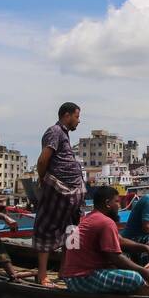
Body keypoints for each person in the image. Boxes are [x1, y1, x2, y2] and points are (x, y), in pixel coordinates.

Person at [62, 186, 149, 294]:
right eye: (117, 202)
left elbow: (120, 241)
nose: (119, 206)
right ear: (107, 203)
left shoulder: (89, 218)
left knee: (130, 267)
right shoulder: (105, 222)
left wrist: (144, 247)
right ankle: (145, 293)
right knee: (136, 278)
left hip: (72, 277)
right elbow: (115, 257)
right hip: (81, 279)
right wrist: (144, 272)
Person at [33, 102, 86, 286]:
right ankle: (42, 276)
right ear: (67, 115)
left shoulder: (64, 135)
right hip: (58, 188)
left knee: (72, 230)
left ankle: (66, 271)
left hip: (72, 192)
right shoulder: (55, 131)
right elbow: (43, 160)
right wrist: (43, 181)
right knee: (47, 228)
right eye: (77, 117)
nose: (79, 121)